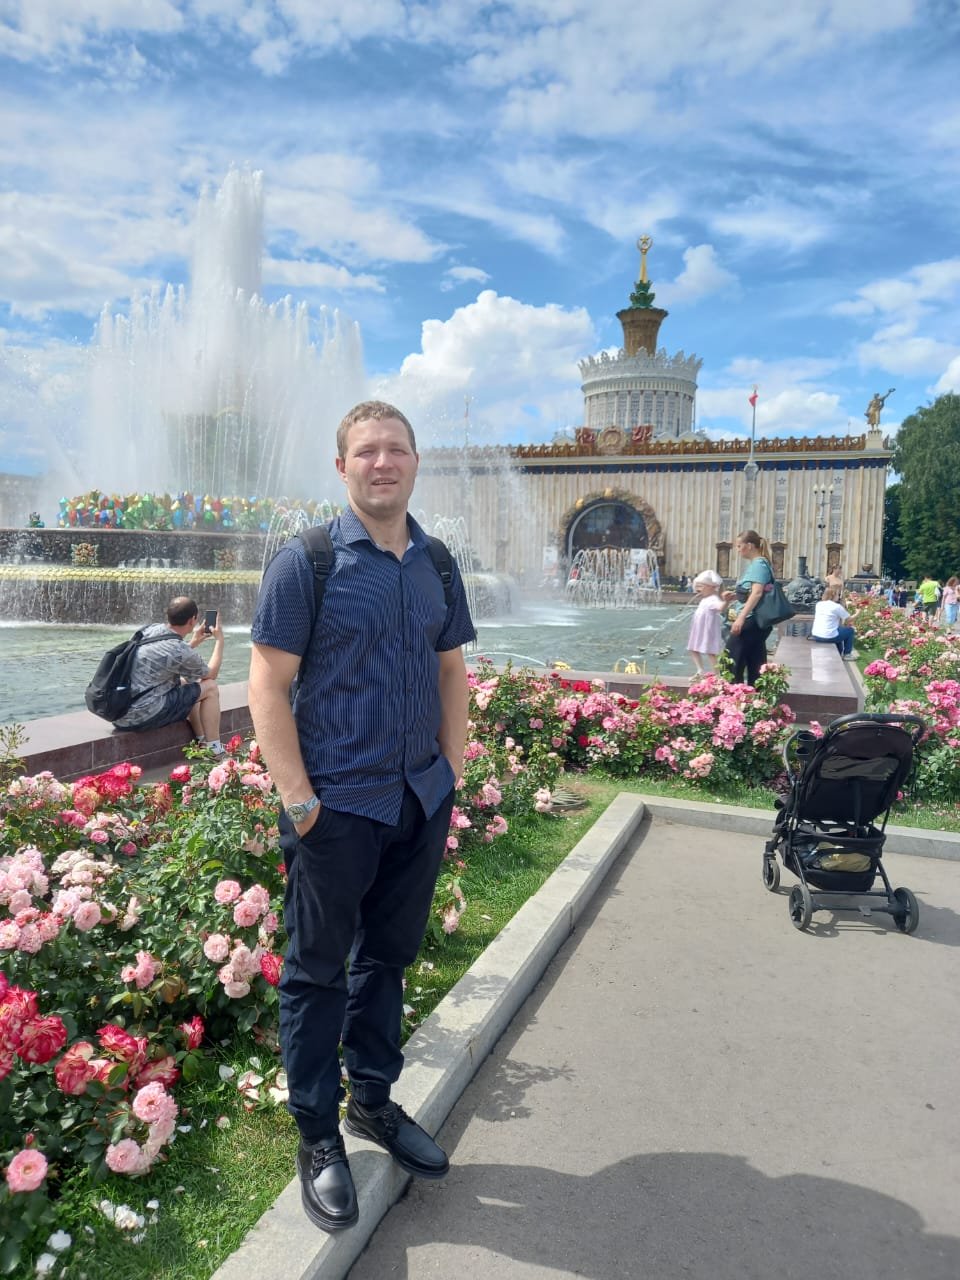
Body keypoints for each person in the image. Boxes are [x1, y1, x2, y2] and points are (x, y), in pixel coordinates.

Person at [248, 400, 476, 1234]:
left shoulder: (436, 563)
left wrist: (452, 769)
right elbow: (267, 685)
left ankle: (371, 1100)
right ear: (342, 466)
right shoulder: (306, 561)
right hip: (336, 807)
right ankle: (317, 1134)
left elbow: (450, 668)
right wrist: (300, 802)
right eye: (367, 451)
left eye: (397, 449)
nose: (384, 462)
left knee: (388, 957)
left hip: (418, 799)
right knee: (316, 972)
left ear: (415, 462)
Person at [112, 596, 225, 752]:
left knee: (187, 683)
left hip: (120, 713)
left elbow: (167, 656)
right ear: (193, 620)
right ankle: (215, 749)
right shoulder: (179, 649)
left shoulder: (148, 630)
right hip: (143, 716)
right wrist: (219, 641)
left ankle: (202, 742)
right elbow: (211, 674)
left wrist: (193, 643)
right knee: (210, 687)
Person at [723, 529, 774, 686]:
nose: (738, 550)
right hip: (757, 621)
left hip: (751, 620)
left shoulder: (758, 564)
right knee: (755, 663)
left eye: (739, 546)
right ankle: (756, 696)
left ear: (750, 546)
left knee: (731, 662)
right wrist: (736, 596)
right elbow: (754, 592)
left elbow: (757, 593)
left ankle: (733, 696)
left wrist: (740, 618)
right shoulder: (761, 563)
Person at [686, 569, 725, 677]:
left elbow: (721, 607)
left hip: (708, 630)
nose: (698, 589)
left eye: (701, 586)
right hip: (698, 629)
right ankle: (700, 669)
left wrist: (726, 601)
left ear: (711, 587)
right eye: (697, 586)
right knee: (693, 648)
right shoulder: (705, 599)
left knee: (711, 652)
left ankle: (717, 674)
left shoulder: (713, 599)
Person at [811, 586, 857, 659]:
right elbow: (848, 619)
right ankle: (847, 654)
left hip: (816, 635)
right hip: (828, 637)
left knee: (838, 630)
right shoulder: (836, 607)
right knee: (850, 630)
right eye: (838, 594)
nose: (838, 597)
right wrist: (858, 613)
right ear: (833, 595)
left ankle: (839, 651)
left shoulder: (819, 604)